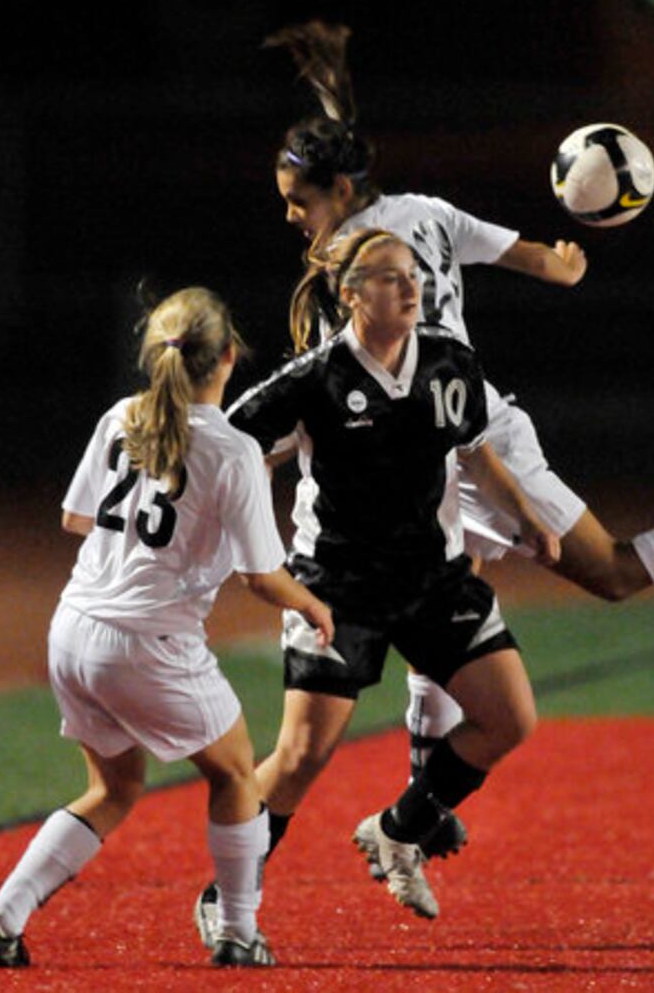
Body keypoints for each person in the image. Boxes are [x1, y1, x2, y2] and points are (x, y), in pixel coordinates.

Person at [262, 19, 654, 837]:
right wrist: (576, 249)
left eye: (297, 200)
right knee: (436, 581)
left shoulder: (342, 272)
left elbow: (334, 381)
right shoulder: (422, 212)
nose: (290, 216)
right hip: (425, 445)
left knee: (608, 572)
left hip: (470, 438)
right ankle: (422, 801)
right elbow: (548, 262)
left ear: (339, 192)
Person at [0, 287, 333, 970]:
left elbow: (78, 520)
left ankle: (1, 916)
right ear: (228, 357)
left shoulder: (121, 417)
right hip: (146, 643)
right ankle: (240, 931)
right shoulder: (233, 449)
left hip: (72, 631)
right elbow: (260, 576)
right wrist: (312, 606)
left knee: (116, 787)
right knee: (236, 778)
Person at [209, 227, 561, 924]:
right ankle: (225, 896)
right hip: (338, 588)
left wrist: (526, 517)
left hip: (434, 579)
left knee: (509, 717)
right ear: (350, 293)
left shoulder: (449, 361)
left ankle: (397, 832)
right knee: (302, 754)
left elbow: (476, 453)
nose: (410, 289)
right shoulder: (313, 379)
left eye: (414, 278)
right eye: (391, 277)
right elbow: (230, 450)